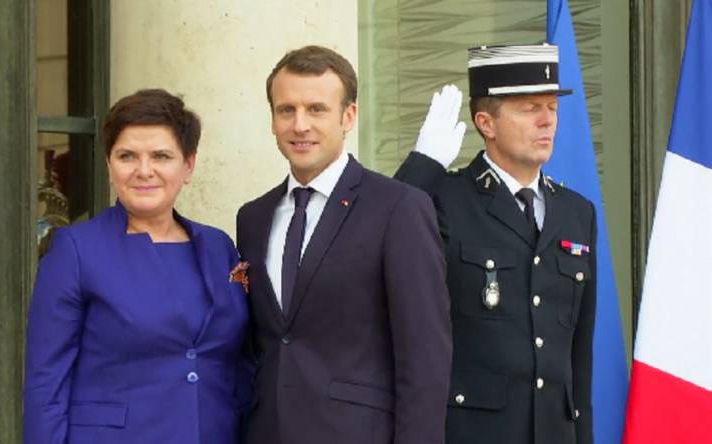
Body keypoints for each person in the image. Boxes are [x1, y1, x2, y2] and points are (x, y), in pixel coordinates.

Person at [236, 45, 452, 444]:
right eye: (287, 110)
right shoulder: (252, 218)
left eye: (317, 109)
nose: (300, 125)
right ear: (272, 119)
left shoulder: (399, 207)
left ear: (348, 116)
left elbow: (425, 362)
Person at [23, 89, 255, 444]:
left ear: (188, 165)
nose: (143, 171)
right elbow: (46, 383)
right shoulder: (76, 250)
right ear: (109, 164)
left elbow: (240, 362)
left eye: (161, 155)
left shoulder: (218, 247)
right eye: (127, 156)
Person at [394, 43, 597, 444]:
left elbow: (579, 358)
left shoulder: (577, 212)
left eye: (552, 107)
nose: (547, 121)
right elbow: (375, 245)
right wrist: (422, 167)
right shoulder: (444, 200)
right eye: (529, 108)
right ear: (485, 122)